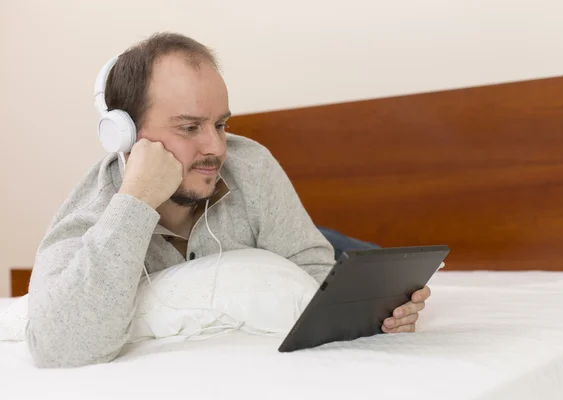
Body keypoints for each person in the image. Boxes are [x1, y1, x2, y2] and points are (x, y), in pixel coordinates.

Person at [25, 32, 431, 368]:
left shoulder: (249, 163)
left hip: (284, 237)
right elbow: (61, 348)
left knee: (369, 260)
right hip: (140, 207)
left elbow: (312, 271)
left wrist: (376, 309)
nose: (216, 148)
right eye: (189, 127)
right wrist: (136, 201)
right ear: (124, 135)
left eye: (221, 124)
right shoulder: (88, 213)